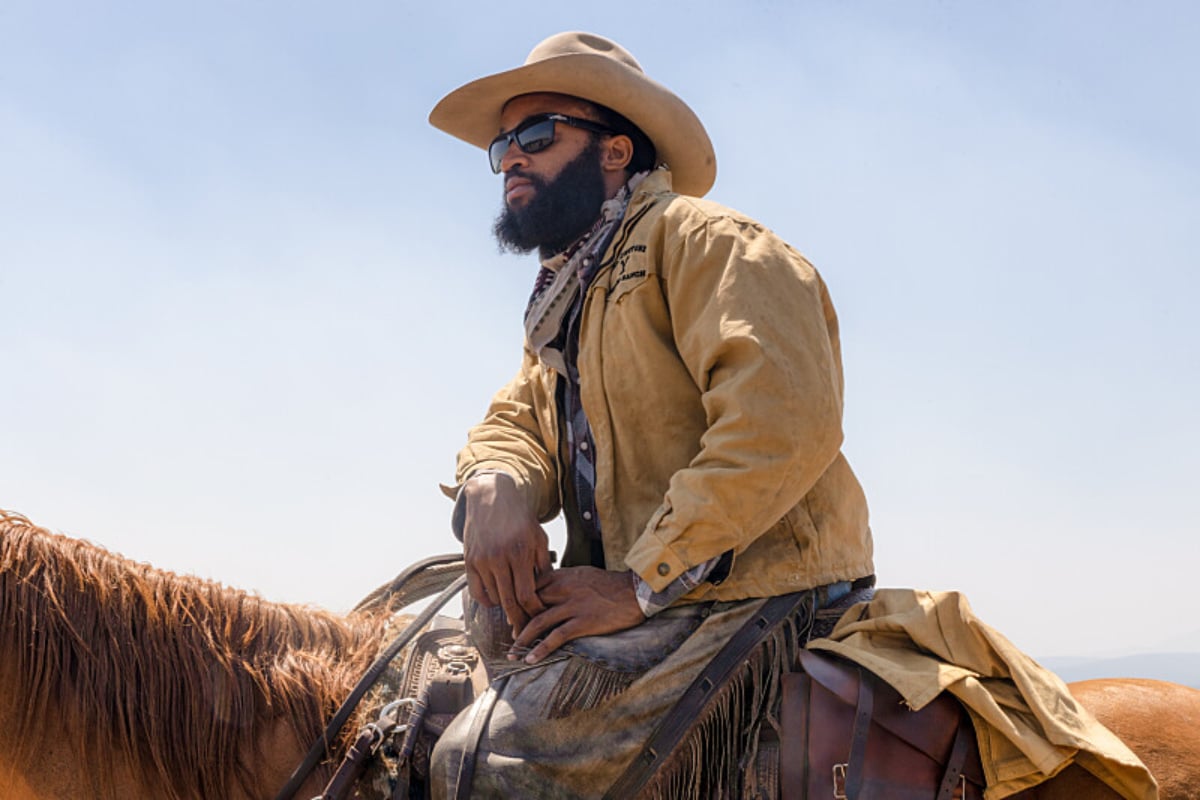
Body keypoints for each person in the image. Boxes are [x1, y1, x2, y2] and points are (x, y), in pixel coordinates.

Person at [427, 31, 874, 799]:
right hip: (650, 589)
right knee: (416, 677)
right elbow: (516, 420)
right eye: (502, 144)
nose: (510, 159)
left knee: (491, 762)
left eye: (536, 134)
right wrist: (494, 485)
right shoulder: (568, 304)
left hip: (757, 591)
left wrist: (637, 584)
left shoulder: (708, 242)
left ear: (614, 151)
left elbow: (780, 421)